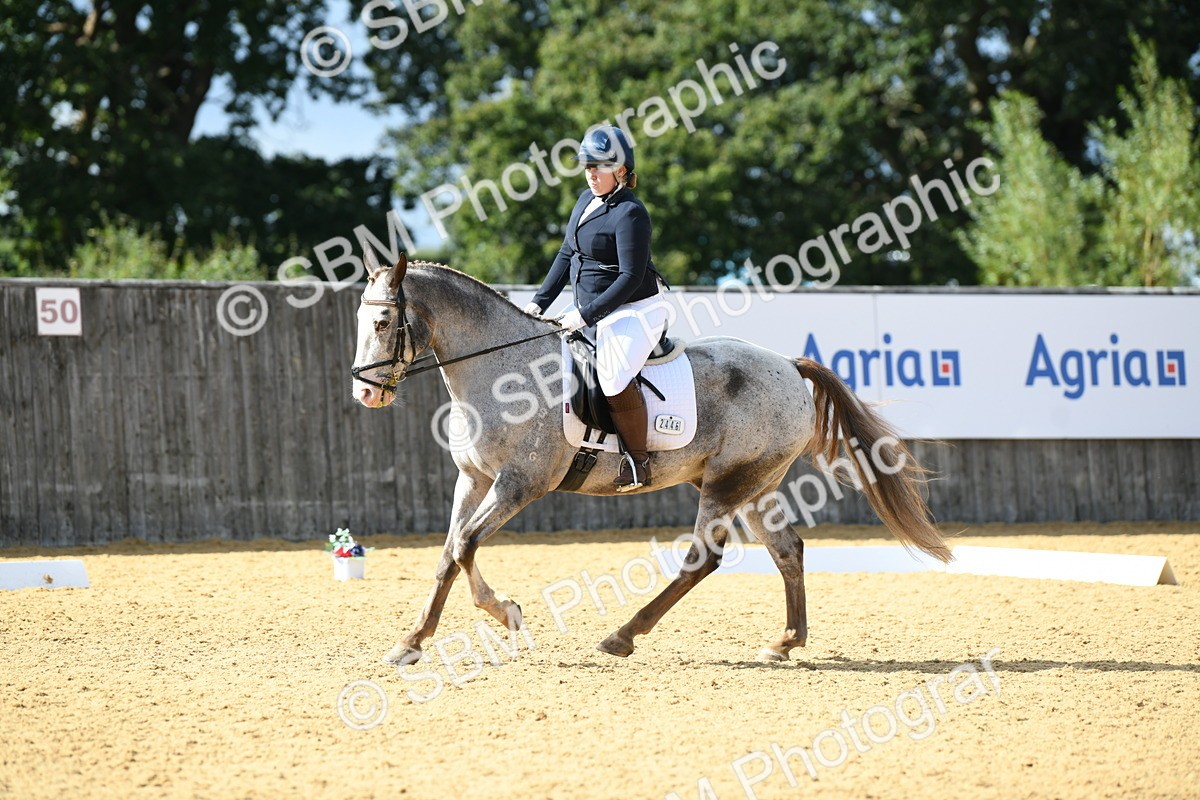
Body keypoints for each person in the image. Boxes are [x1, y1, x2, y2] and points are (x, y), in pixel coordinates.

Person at [524, 125, 669, 491]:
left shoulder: (631, 213)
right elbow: (565, 253)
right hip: (594, 309)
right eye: (587, 166)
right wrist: (537, 303)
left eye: (599, 167)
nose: (591, 173)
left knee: (613, 375)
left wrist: (585, 315)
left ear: (621, 170)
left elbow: (631, 277)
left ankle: (638, 462)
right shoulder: (584, 201)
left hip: (636, 310)